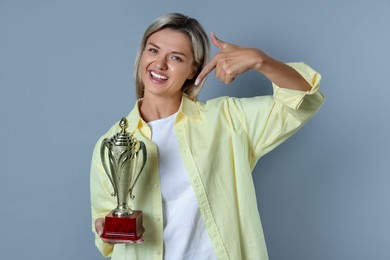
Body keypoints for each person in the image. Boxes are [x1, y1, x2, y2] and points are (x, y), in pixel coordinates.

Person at [90, 13, 324, 260]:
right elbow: (106, 231)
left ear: (193, 69)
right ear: (142, 54)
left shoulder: (226, 120)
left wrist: (259, 60)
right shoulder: (111, 143)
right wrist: (105, 230)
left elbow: (304, 101)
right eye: (154, 50)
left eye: (176, 57)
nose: (159, 64)